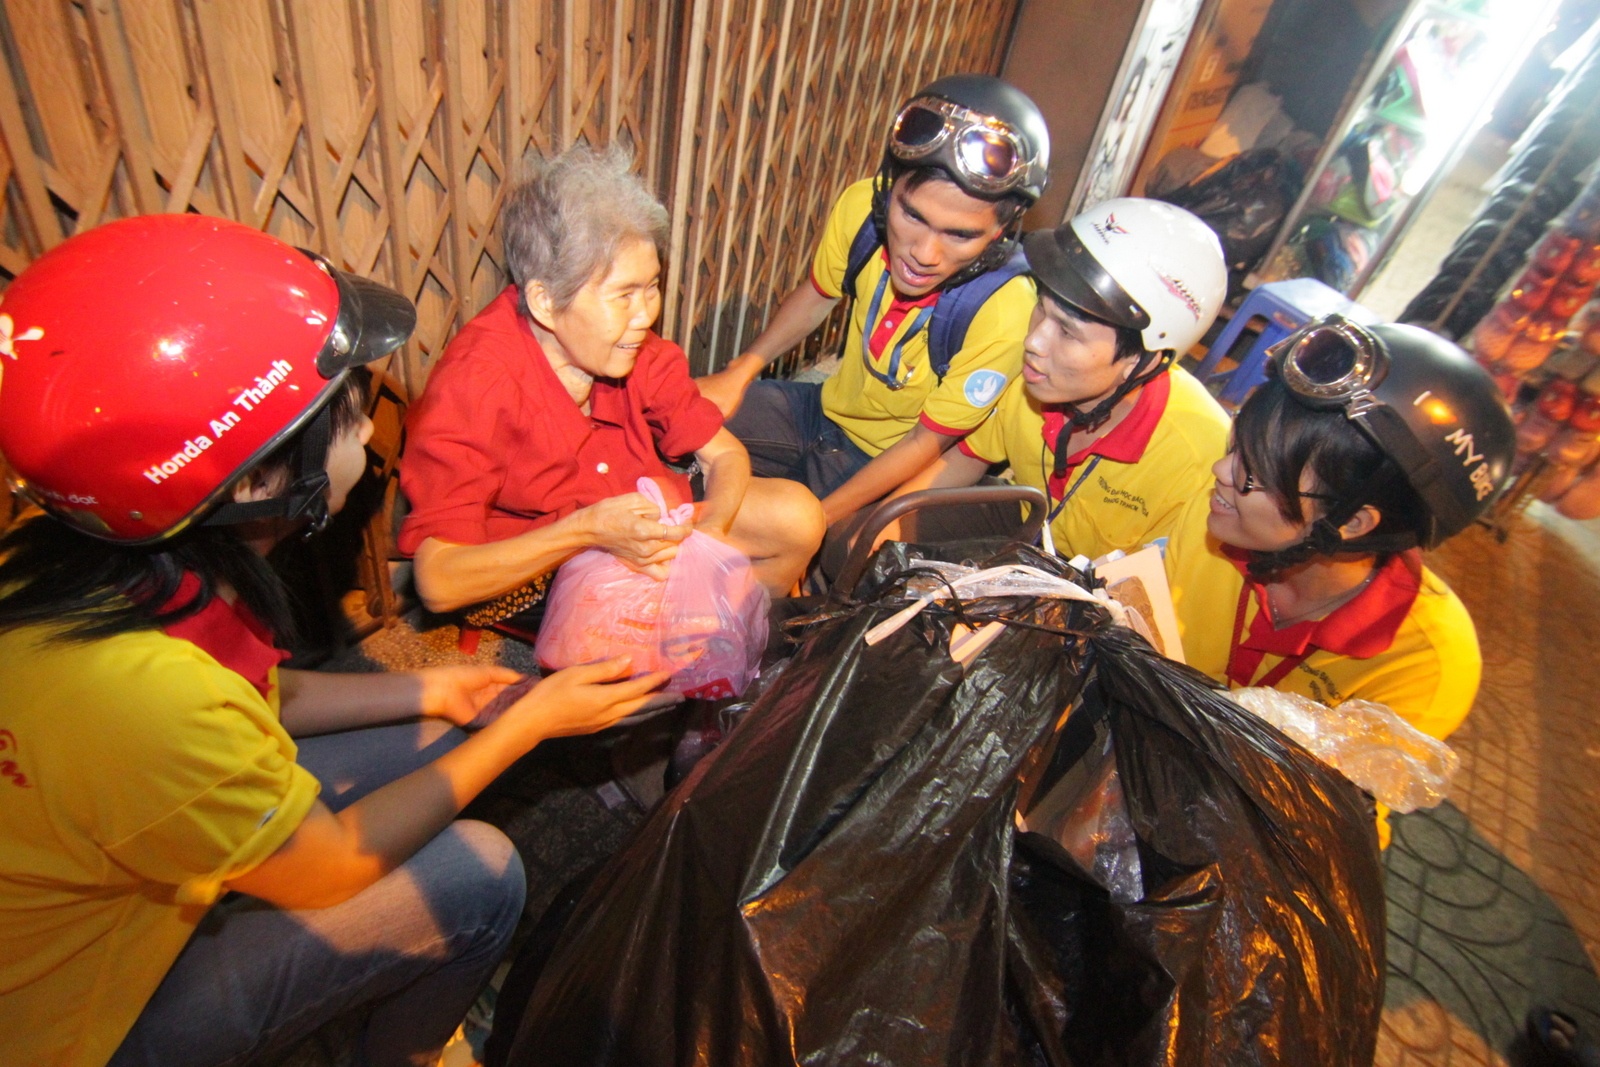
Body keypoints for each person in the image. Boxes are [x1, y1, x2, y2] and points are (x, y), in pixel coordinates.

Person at [0, 215, 666, 1067]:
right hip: (87, 1019)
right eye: (344, 412)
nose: (368, 428)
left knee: (445, 727)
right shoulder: (147, 698)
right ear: (254, 476)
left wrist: (434, 687)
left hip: (130, 850)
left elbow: (249, 692)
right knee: (482, 875)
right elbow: (329, 867)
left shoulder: (84, 558)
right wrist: (526, 727)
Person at [399, 146, 823, 625]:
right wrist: (587, 532)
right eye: (623, 295)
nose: (646, 315)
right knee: (628, 620)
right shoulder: (475, 383)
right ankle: (673, 652)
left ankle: (726, 637)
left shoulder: (628, 345)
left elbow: (725, 455)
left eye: (652, 287)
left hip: (636, 514)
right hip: (539, 564)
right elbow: (437, 582)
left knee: (800, 517)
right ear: (543, 301)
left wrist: (709, 530)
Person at [1163, 316, 1515, 839]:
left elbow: (1323, 826)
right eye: (1236, 444)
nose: (1221, 473)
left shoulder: (1424, 665)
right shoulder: (1219, 520)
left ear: (1350, 523)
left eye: (1253, 473)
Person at [697, 74, 1050, 529]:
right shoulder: (862, 210)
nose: (924, 254)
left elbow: (926, 442)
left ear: (1000, 233)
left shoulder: (1005, 308)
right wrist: (740, 370)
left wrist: (815, 523)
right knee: (684, 420)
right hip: (821, 411)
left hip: (888, 461)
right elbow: (817, 297)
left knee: (841, 564)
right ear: (887, 192)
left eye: (960, 235)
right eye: (912, 215)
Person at [877, 197, 1230, 562]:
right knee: (857, 546)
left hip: (1104, 591)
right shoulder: (1036, 378)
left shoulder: (1200, 464)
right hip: (1028, 521)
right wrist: (876, 527)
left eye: (1068, 333)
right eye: (1040, 310)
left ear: (1143, 361)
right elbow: (967, 457)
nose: (1034, 342)